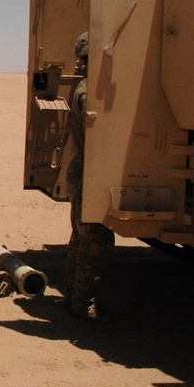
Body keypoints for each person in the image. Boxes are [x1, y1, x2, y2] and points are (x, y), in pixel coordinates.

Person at [63, 31, 114, 323]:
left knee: (80, 240)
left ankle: (73, 297)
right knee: (94, 244)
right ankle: (83, 304)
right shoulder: (89, 92)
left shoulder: (86, 87)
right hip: (89, 173)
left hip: (84, 171)